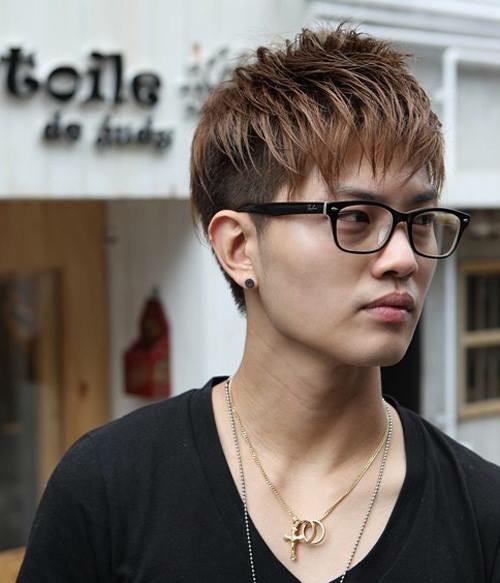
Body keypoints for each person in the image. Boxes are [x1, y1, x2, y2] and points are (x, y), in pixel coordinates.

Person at [18, 26, 500, 583]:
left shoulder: (480, 514)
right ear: (239, 248)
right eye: (354, 218)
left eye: (419, 221)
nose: (404, 258)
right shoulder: (109, 487)